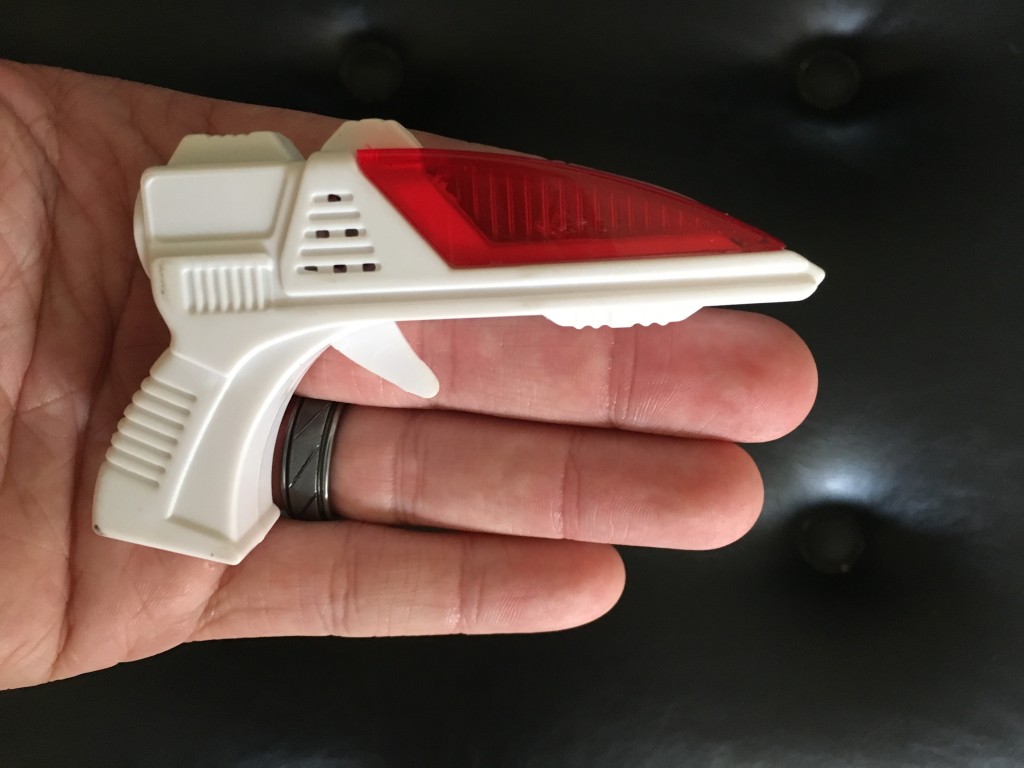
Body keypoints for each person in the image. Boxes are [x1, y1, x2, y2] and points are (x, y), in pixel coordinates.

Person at [0, 60, 818, 690]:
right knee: (218, 384)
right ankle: (167, 511)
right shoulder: (280, 242)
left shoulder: (300, 232)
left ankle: (171, 510)